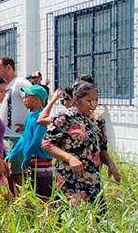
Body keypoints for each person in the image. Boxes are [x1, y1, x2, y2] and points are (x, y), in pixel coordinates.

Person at [42, 82, 121, 213]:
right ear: (75, 100)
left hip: (92, 178)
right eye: (88, 101)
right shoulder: (64, 118)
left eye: (96, 100)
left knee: (96, 218)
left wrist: (111, 164)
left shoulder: (98, 120)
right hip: (69, 178)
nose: (93, 104)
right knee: (68, 218)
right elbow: (47, 144)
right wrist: (69, 158)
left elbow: (102, 147)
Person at [5, 85, 52, 199]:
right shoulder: (31, 115)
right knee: (33, 192)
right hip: (31, 159)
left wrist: (26, 158)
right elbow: (24, 137)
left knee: (43, 194)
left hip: (41, 161)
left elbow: (37, 140)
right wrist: (12, 154)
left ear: (36, 99)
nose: (24, 99)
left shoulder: (41, 117)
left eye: (27, 97)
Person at [0, 57, 32, 193]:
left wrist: (29, 124)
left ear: (9, 67)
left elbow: (37, 99)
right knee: (8, 173)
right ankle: (13, 200)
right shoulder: (5, 87)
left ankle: (21, 202)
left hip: (15, 137)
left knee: (17, 173)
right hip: (4, 137)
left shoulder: (20, 83)